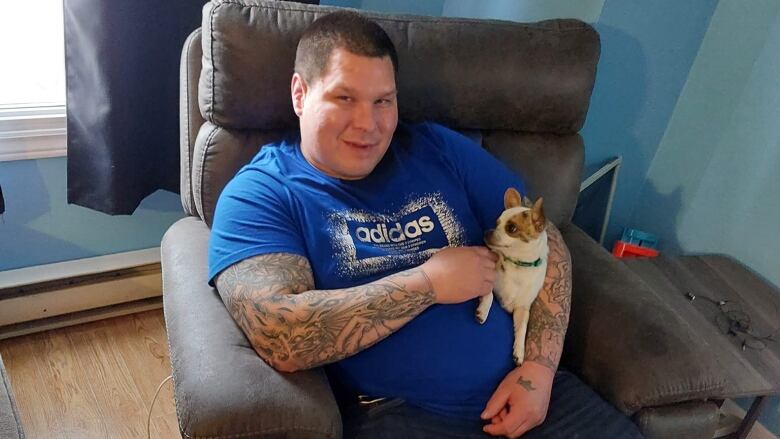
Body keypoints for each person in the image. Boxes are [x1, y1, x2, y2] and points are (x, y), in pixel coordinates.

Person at [208, 10, 643, 439]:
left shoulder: (436, 147)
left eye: (383, 101)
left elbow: (544, 239)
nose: (368, 125)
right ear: (300, 94)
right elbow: (279, 334)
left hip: (531, 396)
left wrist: (538, 371)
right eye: (345, 98)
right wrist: (428, 283)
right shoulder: (262, 194)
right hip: (403, 415)